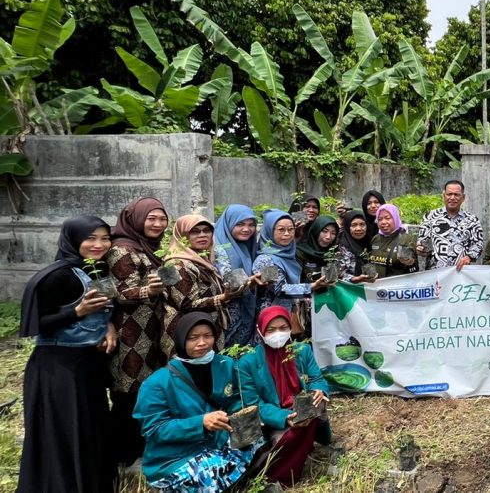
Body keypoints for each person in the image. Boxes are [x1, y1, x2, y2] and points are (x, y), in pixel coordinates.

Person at [17, 216, 117, 493]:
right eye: (91, 238)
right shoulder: (58, 276)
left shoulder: (97, 270)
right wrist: (77, 312)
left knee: (89, 430)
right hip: (59, 368)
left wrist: (108, 325)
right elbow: (38, 324)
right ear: (73, 240)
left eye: (105, 238)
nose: (99, 245)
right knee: (64, 431)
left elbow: (105, 311)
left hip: (88, 365)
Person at [134, 313, 254, 492]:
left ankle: (235, 478)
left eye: (208, 336)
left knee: (257, 439)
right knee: (208, 474)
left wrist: (241, 415)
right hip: (177, 456)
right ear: (181, 339)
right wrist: (201, 423)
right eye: (193, 338)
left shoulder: (226, 364)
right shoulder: (157, 383)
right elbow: (155, 429)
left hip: (218, 440)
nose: (202, 343)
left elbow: (236, 400)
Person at [107, 196, 170, 466]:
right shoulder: (122, 249)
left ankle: (140, 450)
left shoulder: (145, 247)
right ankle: (123, 456)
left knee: (146, 391)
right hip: (130, 335)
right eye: (151, 218)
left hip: (150, 332)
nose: (158, 223)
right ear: (135, 219)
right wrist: (149, 290)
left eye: (162, 218)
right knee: (128, 394)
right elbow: (120, 293)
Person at [237, 307, 331, 486]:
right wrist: (283, 417)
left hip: (301, 408)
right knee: (288, 436)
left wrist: (318, 390)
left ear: (290, 328)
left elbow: (316, 379)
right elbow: (253, 403)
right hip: (272, 416)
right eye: (271, 330)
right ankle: (271, 476)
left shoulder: (302, 351)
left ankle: (290, 465)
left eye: (283, 328)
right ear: (260, 331)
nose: (278, 334)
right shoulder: (247, 362)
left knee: (315, 406)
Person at [162, 215, 245, 356]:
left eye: (207, 230)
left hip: (206, 327)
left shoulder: (202, 260)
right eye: (195, 231)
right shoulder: (174, 264)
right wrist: (223, 298)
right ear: (182, 235)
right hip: (187, 332)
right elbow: (185, 304)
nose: (202, 235)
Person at [253, 210, 331, 337]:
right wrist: (312, 286)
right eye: (281, 230)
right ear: (269, 231)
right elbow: (279, 289)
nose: (287, 234)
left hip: (287, 315)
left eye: (291, 229)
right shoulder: (266, 260)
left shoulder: (287, 254)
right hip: (271, 320)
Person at [214, 204, 261, 348]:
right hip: (226, 312)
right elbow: (227, 279)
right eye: (240, 224)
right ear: (229, 223)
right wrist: (249, 281)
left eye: (251, 225)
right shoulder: (218, 247)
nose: (246, 229)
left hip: (246, 308)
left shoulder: (248, 245)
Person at [417, 180, 484, 271]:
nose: (452, 198)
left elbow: (478, 244)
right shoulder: (430, 217)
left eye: (456, 195)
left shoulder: (472, 220)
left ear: (463, 197)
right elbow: (422, 242)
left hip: (461, 272)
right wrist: (421, 249)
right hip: (434, 273)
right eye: (449, 194)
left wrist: (469, 257)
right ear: (444, 196)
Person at [296, 215, 355, 283]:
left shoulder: (334, 254)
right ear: (315, 230)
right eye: (324, 231)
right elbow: (294, 283)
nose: (328, 237)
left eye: (333, 233)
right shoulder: (299, 252)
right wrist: (314, 285)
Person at [369, 203, 419, 278]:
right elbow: (371, 262)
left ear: (395, 218)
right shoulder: (375, 238)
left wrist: (409, 262)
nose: (383, 222)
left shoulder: (407, 239)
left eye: (387, 218)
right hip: (377, 284)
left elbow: (414, 269)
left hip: (399, 284)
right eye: (380, 219)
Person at [338, 210, 373, 278]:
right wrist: (355, 279)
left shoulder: (372, 243)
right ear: (347, 226)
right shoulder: (341, 248)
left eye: (362, 224)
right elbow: (339, 275)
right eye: (354, 225)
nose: (358, 229)